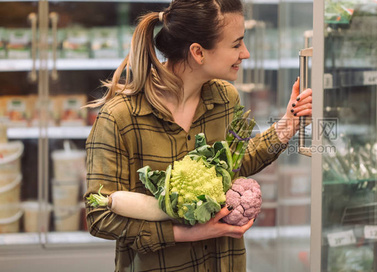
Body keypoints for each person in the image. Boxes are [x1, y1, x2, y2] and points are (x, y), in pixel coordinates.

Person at [83, 0, 312, 271]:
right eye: (236, 44)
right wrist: (187, 233)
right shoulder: (120, 117)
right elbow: (98, 217)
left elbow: (237, 163)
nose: (246, 53)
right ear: (198, 52)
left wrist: (289, 123)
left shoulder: (225, 99)